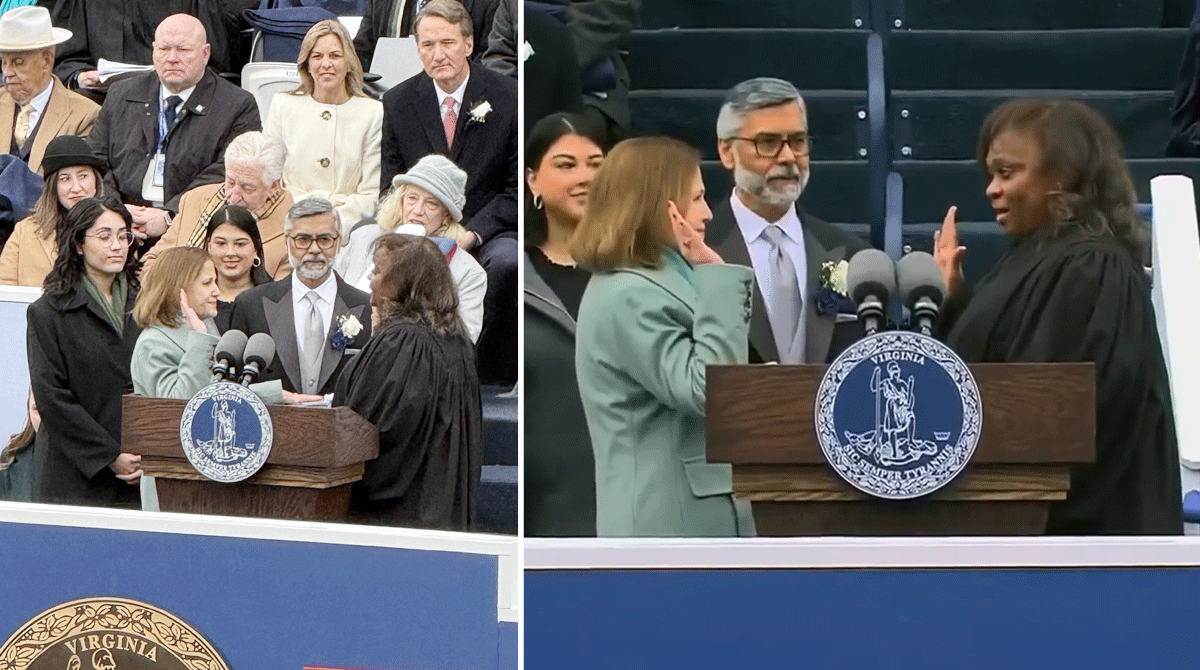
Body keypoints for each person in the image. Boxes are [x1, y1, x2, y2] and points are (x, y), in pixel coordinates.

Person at [935, 99, 1183, 535]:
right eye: (991, 175)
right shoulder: (1036, 257)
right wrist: (956, 299)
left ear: (1064, 176)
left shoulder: (1091, 268)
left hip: (1080, 549)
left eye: (1008, 173)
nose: (992, 189)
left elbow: (1053, 408)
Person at [571, 136, 755, 538]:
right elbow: (710, 390)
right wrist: (717, 273)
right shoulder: (630, 295)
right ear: (662, 206)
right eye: (697, 198)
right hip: (666, 525)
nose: (707, 213)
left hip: (691, 520)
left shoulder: (658, 282)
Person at [380, 0, 517, 386]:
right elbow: (390, 183)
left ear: (469, 44)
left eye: (447, 43)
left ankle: (487, 374)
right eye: (427, 45)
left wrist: (472, 234)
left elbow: (515, 189)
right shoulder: (398, 101)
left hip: (487, 225)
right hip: (418, 224)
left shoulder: (509, 97)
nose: (437, 55)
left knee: (507, 263)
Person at [707, 77, 870, 365]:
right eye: (767, 143)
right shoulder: (700, 250)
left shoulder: (844, 253)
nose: (788, 157)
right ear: (725, 152)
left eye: (797, 141)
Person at [335, 233, 481, 530]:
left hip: (399, 522)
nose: (371, 282)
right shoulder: (454, 339)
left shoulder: (403, 343)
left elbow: (368, 431)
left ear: (399, 285)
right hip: (441, 513)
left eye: (376, 272)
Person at [87, 14, 260, 251]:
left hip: (193, 234)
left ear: (205, 54)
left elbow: (226, 173)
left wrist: (171, 215)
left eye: (183, 50)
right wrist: (116, 211)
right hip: (117, 224)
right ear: (153, 51)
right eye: (164, 49)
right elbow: (94, 161)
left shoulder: (238, 105)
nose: (172, 58)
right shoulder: (120, 95)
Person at [27, 197, 143, 508]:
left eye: (123, 235)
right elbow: (51, 397)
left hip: (138, 474)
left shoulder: (145, 305)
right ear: (79, 244)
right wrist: (109, 455)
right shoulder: (49, 312)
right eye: (104, 236)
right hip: (73, 477)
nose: (117, 245)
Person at [523, 111, 604, 536]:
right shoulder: (516, 279)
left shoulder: (640, 274)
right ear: (532, 179)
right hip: (544, 505)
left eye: (596, 164)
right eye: (566, 165)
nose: (585, 177)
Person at [130, 246, 313, 403]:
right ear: (179, 289)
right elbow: (180, 407)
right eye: (207, 283)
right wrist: (200, 339)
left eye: (215, 282)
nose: (216, 291)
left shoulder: (205, 326)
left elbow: (217, 391)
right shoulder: (153, 343)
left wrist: (275, 395)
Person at [227, 197, 371, 397]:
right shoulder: (251, 305)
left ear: (338, 243)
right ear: (287, 243)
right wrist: (276, 395)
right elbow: (232, 385)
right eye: (302, 240)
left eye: (324, 239)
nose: (314, 249)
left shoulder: (367, 307)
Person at [336, 155, 488, 343]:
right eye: (412, 198)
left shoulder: (468, 272)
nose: (417, 210)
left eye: (431, 203)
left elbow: (462, 343)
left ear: (446, 214)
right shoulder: (363, 237)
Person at [265, 20, 382, 229]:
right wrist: (302, 218)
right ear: (307, 65)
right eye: (317, 56)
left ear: (348, 63)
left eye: (335, 56)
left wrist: (332, 223)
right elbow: (270, 183)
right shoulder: (283, 105)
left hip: (346, 230)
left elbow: (370, 195)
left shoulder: (373, 113)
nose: (326, 64)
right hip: (289, 225)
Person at [141, 131, 292, 279]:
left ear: (273, 186)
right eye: (230, 182)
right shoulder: (195, 199)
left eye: (247, 188)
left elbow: (277, 297)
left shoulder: (293, 230)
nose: (234, 195)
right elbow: (152, 261)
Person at [0, 7, 99, 174]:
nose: (7, 73)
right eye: (3, 62)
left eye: (17, 62)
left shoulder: (85, 115)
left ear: (47, 60)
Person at [0, 135, 104, 286]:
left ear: (96, 181)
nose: (76, 188)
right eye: (64, 179)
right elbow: (5, 291)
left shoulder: (116, 229)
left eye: (83, 176)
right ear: (53, 187)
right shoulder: (25, 232)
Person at [353, 0, 499, 71]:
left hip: (458, 94)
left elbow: (490, 57)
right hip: (387, 96)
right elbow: (362, 50)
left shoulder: (486, 3)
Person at [203, 205, 274, 332]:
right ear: (209, 247)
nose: (230, 253)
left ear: (256, 248)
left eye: (240, 244)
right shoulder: (194, 300)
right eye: (221, 243)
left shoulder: (274, 300)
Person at [0, 389, 38, 502]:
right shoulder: (9, 459)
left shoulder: (87, 461)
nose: (43, 417)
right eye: (36, 409)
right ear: (28, 410)